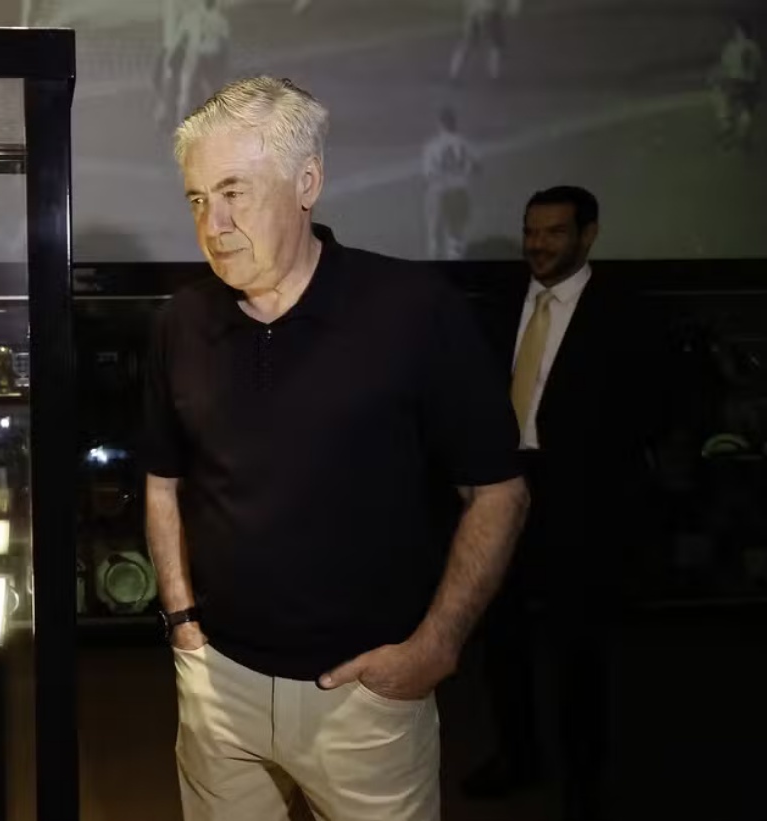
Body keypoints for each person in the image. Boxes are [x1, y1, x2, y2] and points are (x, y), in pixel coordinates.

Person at [143, 76, 530, 821]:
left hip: (366, 695)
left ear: (307, 182)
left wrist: (435, 646)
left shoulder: (416, 311)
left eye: (235, 192)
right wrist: (182, 622)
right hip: (217, 685)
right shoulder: (179, 323)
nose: (213, 224)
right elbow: (164, 482)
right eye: (197, 199)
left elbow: (499, 491)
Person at [462, 186, 655, 821]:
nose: (538, 244)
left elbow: (644, 417)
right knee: (502, 635)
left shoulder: (624, 314)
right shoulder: (498, 306)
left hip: (581, 500)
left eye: (553, 233)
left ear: (588, 235)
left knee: (577, 650)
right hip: (502, 489)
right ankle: (517, 756)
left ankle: (583, 782)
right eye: (531, 231)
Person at [421, 106, 481, 260]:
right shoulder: (465, 144)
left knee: (435, 236)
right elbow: (477, 167)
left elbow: (428, 175)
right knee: (456, 237)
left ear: (440, 123)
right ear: (455, 123)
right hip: (460, 193)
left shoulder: (433, 145)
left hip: (440, 193)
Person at [709, 19, 762, 151]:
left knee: (725, 105)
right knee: (746, 110)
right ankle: (744, 134)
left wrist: (718, 80)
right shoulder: (754, 47)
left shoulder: (731, 47)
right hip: (750, 83)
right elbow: (758, 66)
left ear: (738, 32)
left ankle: (727, 128)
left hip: (734, 82)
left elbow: (724, 67)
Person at [449, 0, 522, 82]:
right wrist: (512, 7)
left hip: (476, 11)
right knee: (495, 42)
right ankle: (494, 72)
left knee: (469, 42)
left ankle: (455, 72)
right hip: (488, 11)